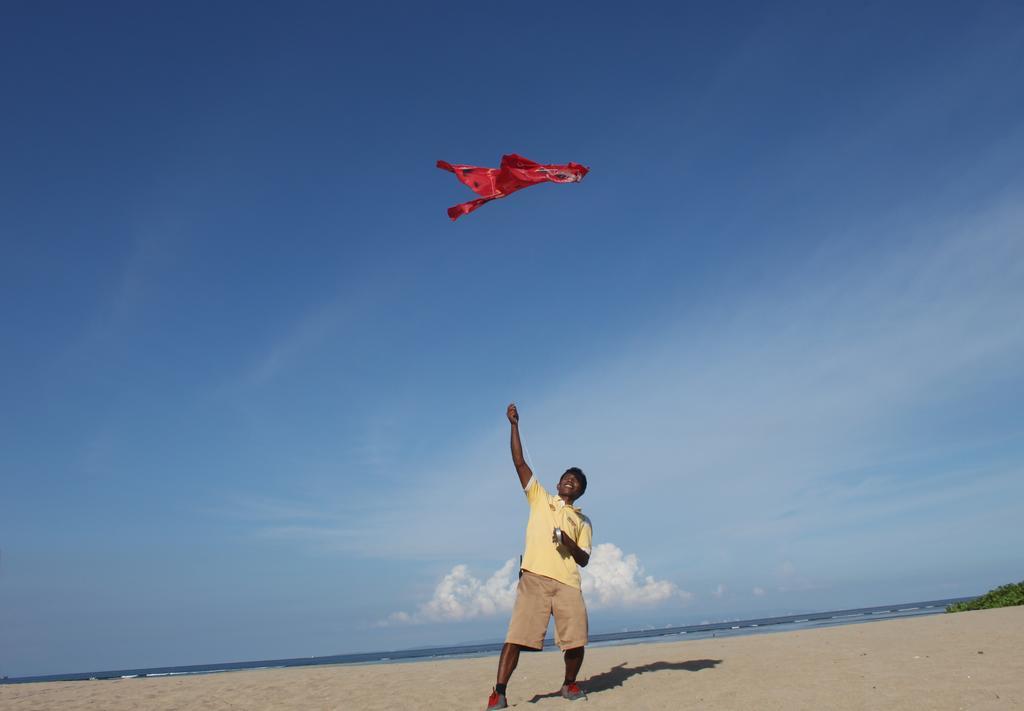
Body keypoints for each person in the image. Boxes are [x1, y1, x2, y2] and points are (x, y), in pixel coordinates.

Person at [486, 403, 593, 710]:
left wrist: (567, 541)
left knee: (576, 639)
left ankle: (569, 684)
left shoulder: (584, 521)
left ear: (580, 491)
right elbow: (519, 463)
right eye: (565, 477)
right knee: (517, 636)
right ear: (558, 484)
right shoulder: (540, 498)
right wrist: (514, 426)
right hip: (534, 576)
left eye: (575, 480)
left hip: (568, 583)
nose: (569, 480)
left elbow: (583, 559)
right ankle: (500, 692)